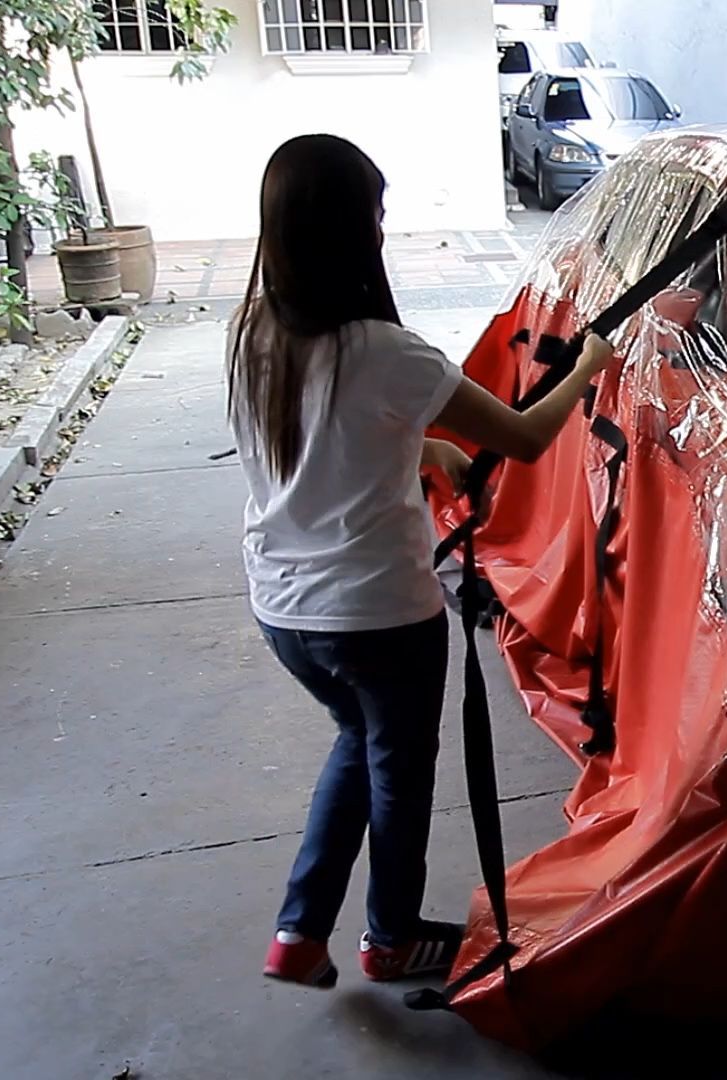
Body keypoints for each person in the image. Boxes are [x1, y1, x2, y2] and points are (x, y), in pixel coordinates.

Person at [228, 133, 612, 988]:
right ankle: (390, 935)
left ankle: (299, 931)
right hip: (378, 614)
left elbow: (322, 447)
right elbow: (521, 435)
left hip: (285, 610)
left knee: (357, 742)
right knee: (398, 771)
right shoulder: (388, 354)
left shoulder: (253, 332)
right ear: (350, 231)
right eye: (376, 213)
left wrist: (419, 457)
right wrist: (587, 361)